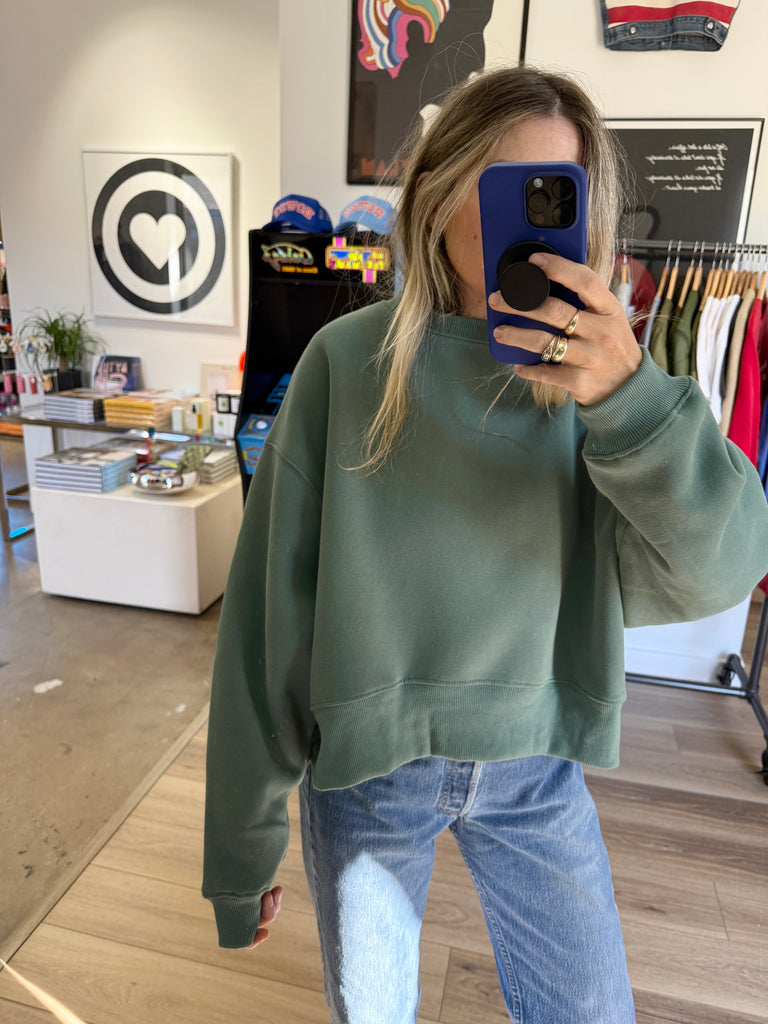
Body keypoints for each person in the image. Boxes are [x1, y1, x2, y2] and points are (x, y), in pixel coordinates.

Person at [203, 65, 768, 1024]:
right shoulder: (348, 362)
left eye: (558, 194)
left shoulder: (608, 380)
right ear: (436, 189)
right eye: (506, 185)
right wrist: (239, 848)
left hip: (538, 769)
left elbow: (725, 565)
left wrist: (630, 398)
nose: (531, 220)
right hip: (368, 776)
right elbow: (265, 624)